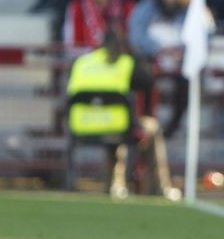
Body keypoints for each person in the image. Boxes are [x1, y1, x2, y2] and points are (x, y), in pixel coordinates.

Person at [65, 26, 164, 197]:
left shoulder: (83, 62)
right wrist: (135, 54)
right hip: (117, 127)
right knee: (150, 128)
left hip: (81, 128)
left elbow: (70, 96)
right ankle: (158, 188)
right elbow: (148, 82)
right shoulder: (125, 63)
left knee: (116, 136)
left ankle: (113, 184)